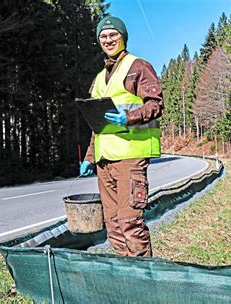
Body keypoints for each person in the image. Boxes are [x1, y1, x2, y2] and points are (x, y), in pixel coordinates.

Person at [80, 16, 164, 257]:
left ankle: (145, 282)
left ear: (123, 37)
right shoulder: (98, 79)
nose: (108, 39)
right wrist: (90, 156)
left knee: (130, 223)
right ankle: (127, 280)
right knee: (114, 226)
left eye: (113, 35)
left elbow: (156, 105)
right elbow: (97, 124)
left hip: (130, 158)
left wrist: (128, 118)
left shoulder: (138, 67)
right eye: (103, 36)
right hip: (104, 161)